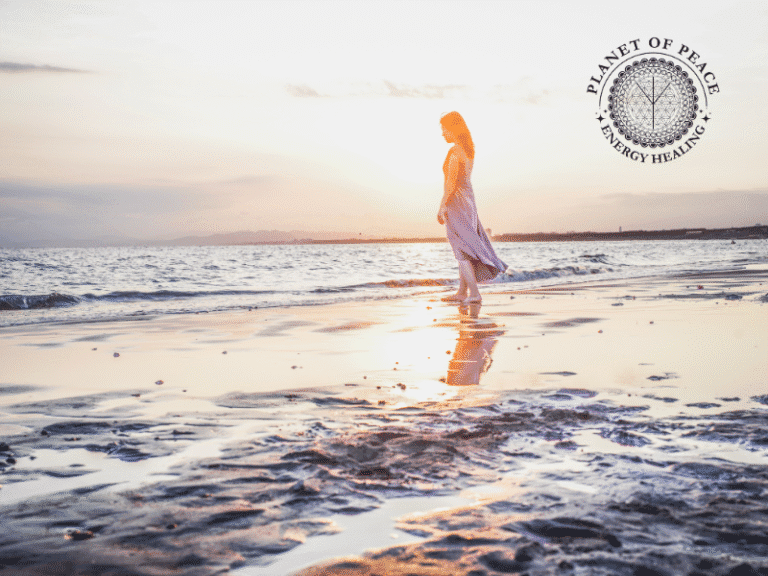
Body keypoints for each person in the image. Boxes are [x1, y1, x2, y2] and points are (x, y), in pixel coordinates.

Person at [437, 111, 507, 304]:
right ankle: (461, 292)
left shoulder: (454, 152)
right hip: (469, 202)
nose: (443, 134)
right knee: (465, 248)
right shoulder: (468, 151)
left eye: (444, 130)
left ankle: (474, 294)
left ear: (453, 129)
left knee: (460, 249)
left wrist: (442, 206)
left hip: (457, 203)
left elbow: (451, 184)